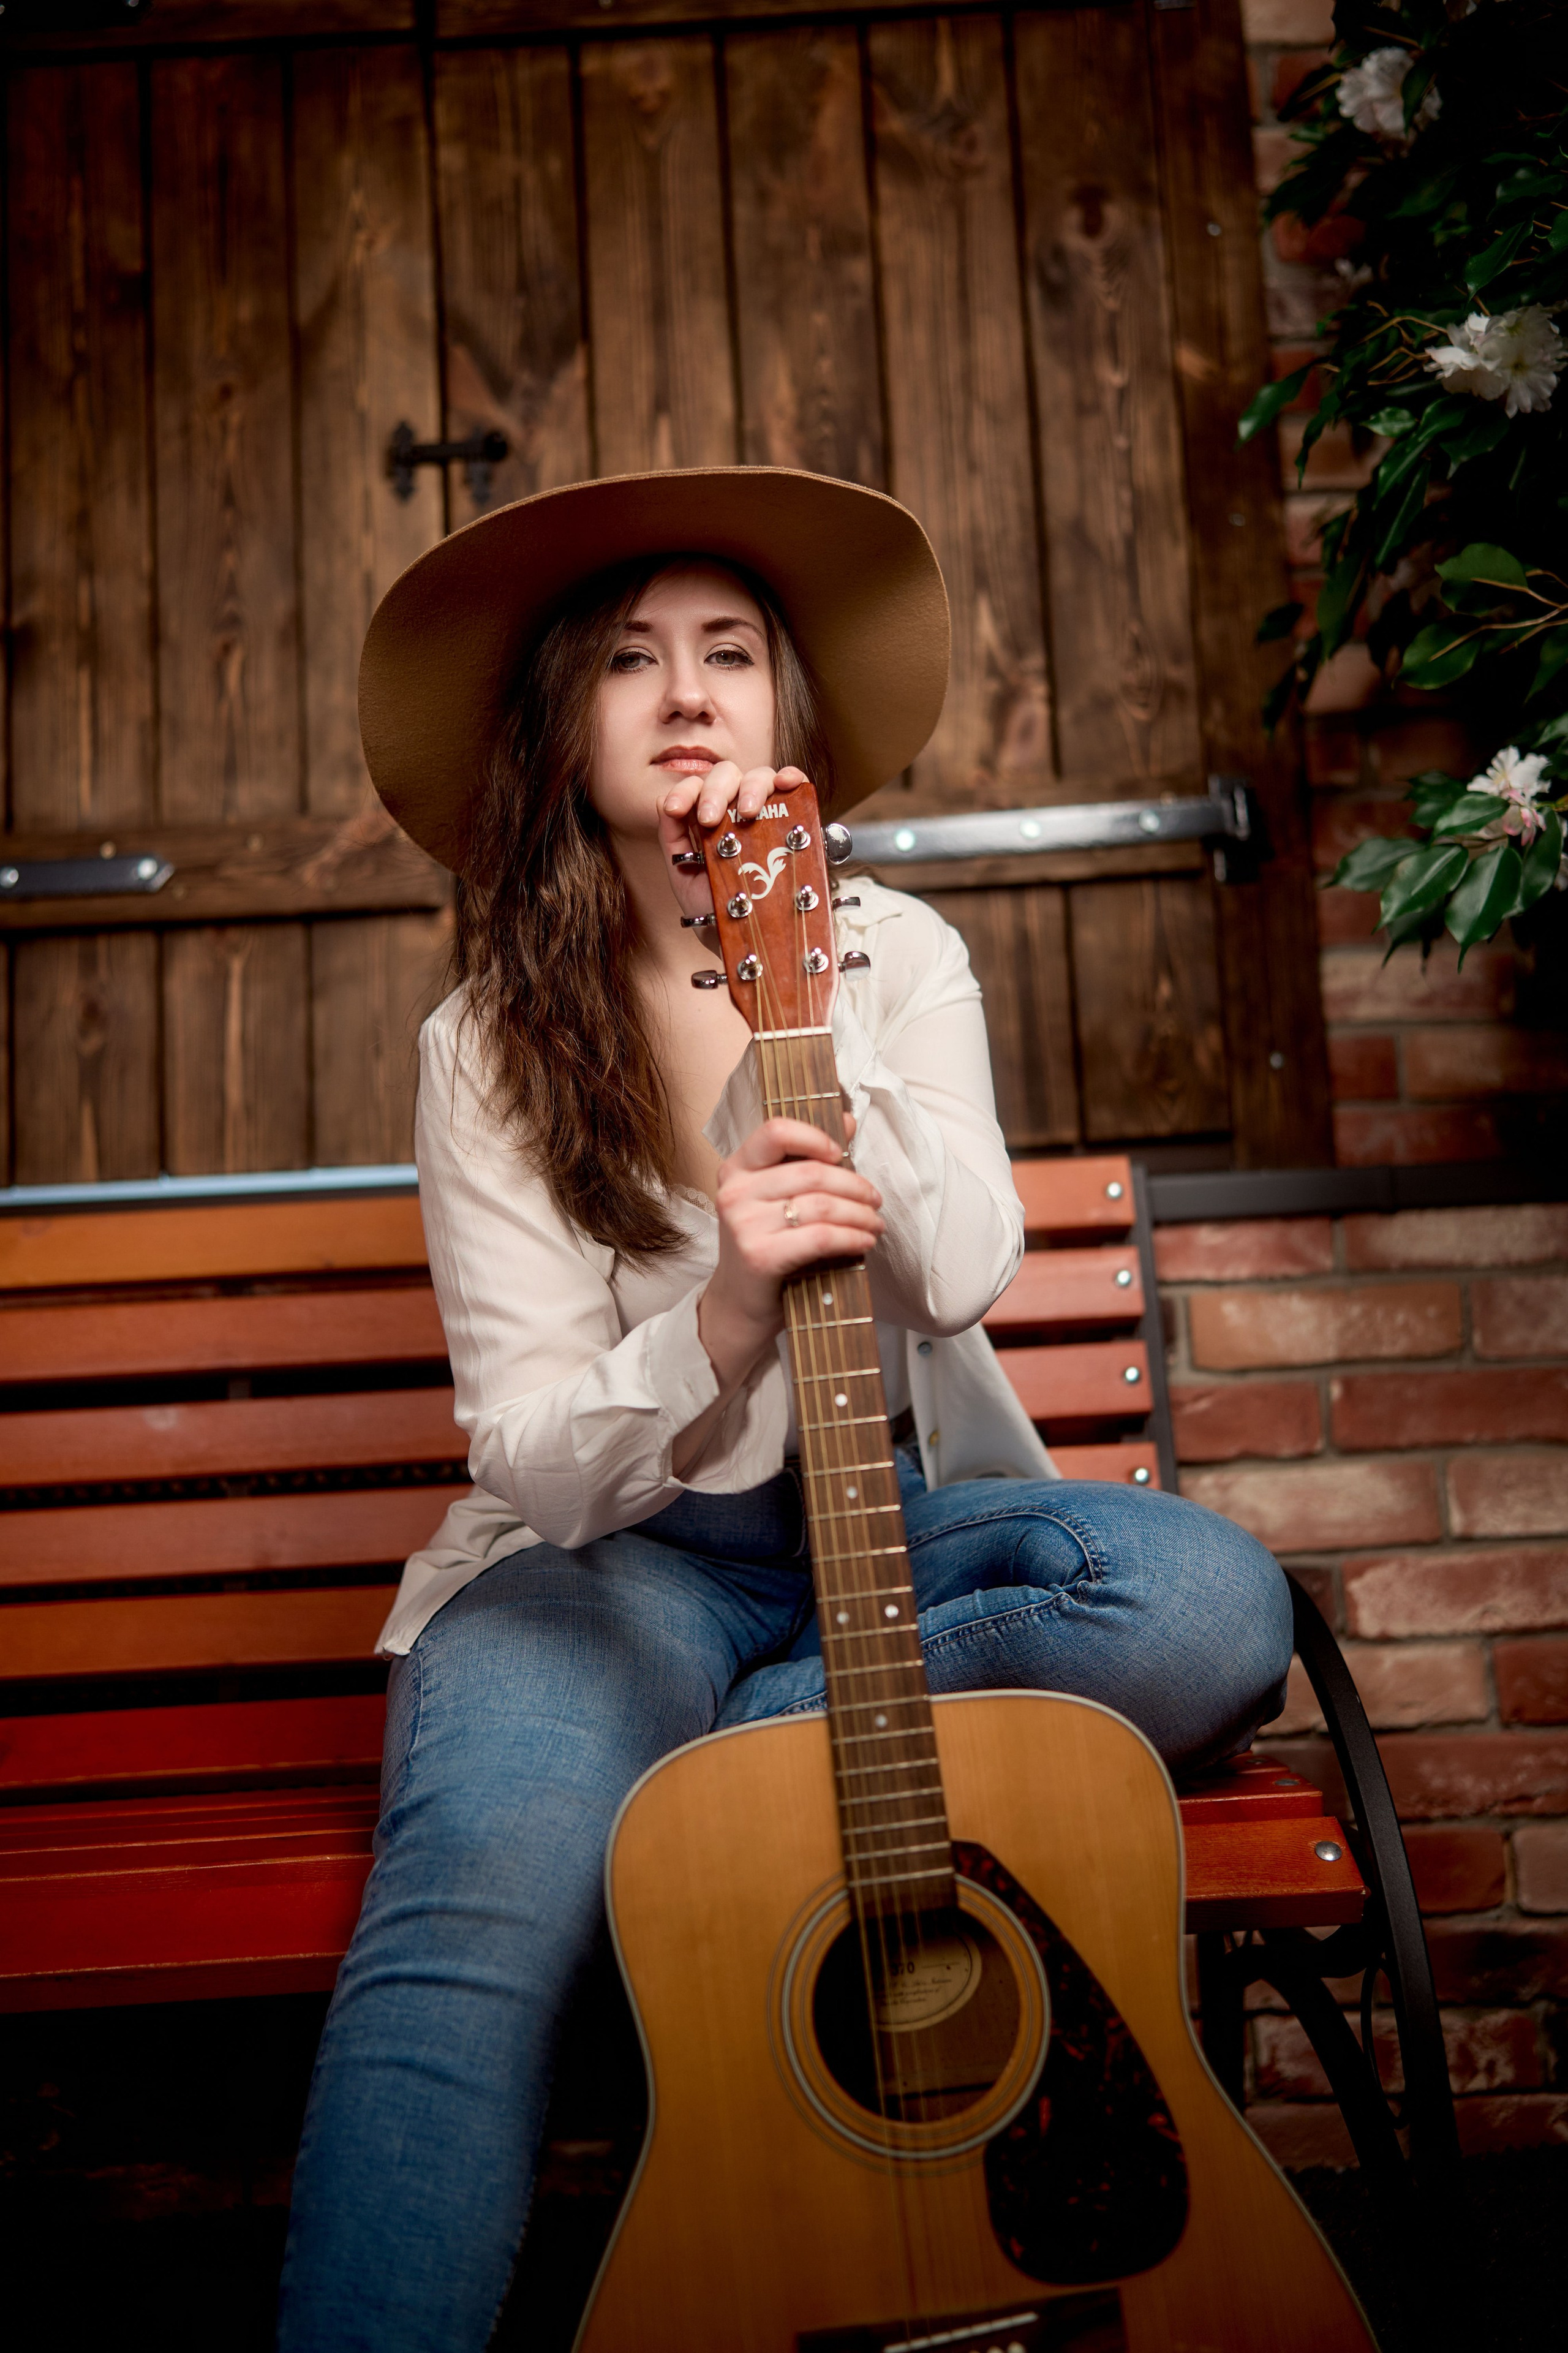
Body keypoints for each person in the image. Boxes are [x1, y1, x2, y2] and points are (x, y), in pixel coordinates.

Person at [277, 467, 1291, 2353]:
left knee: (1214, 1604)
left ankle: (699, 1773)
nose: (686, 693)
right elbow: (533, 1445)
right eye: (629, 661)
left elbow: (963, 1261)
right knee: (467, 1936)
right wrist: (724, 1314)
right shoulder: (488, 1038)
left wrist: (794, 993)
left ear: (786, 716)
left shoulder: (895, 953)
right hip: (614, 1571)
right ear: (560, 736)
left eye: (729, 652)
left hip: (884, 1540)